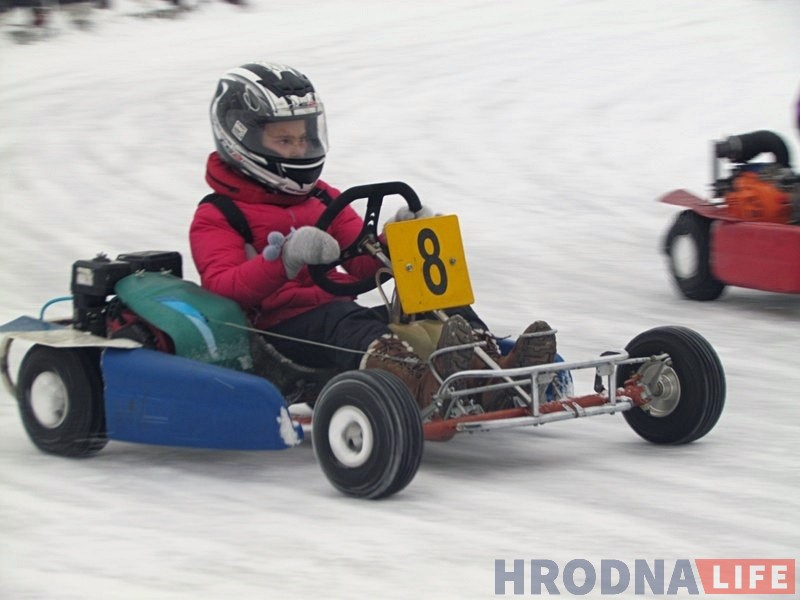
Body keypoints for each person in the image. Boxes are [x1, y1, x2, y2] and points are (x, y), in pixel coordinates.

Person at [189, 61, 557, 413]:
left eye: (304, 138)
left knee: (431, 306)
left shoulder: (322, 197)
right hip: (275, 335)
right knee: (346, 320)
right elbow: (222, 288)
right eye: (285, 140)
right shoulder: (219, 214)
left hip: (339, 316)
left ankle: (493, 377)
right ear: (240, 139)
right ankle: (416, 388)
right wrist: (284, 260)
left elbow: (362, 261)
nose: (299, 150)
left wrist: (397, 238)